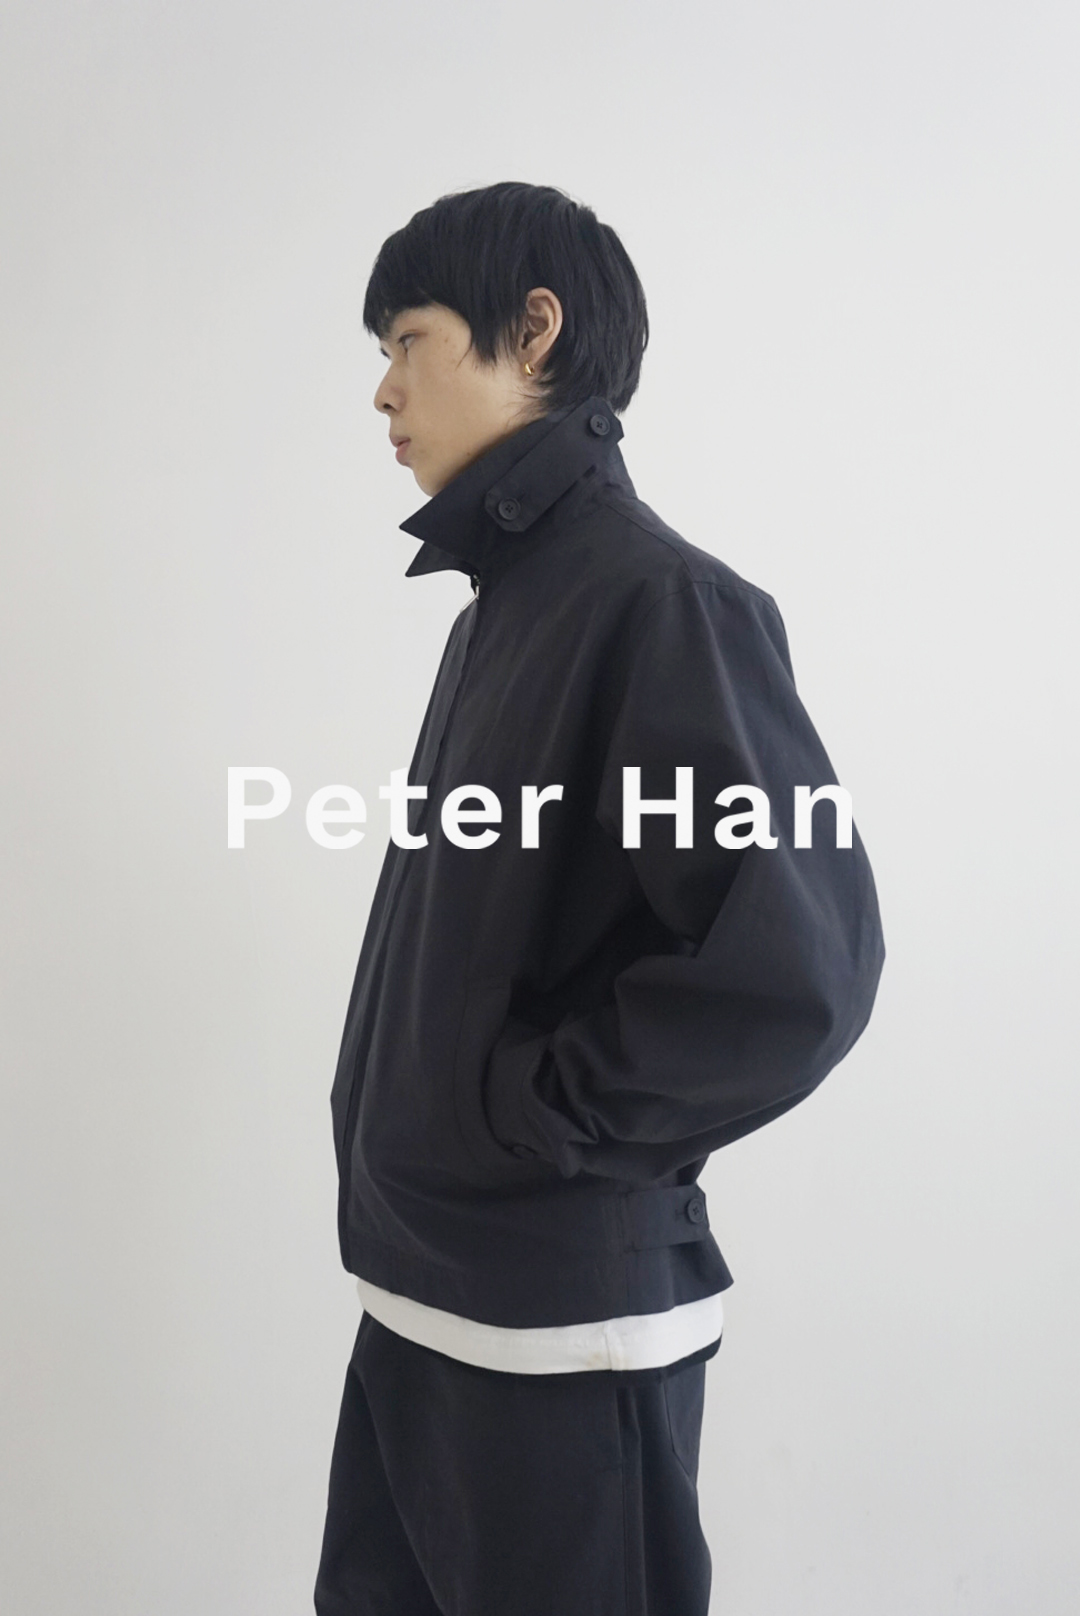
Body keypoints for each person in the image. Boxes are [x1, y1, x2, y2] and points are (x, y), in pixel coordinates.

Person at [314, 181, 885, 1616]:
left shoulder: (661, 603)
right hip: (421, 1301)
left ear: (534, 329)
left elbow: (796, 969)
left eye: (409, 340)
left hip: (561, 1339)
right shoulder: (504, 614)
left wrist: (528, 1116)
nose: (383, 392)